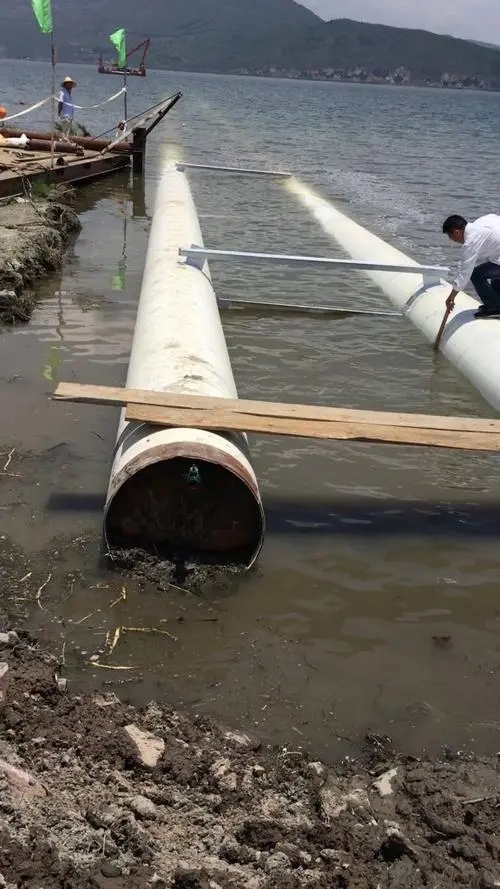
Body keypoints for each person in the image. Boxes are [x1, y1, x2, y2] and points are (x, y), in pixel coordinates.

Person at [442, 214, 500, 318]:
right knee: (493, 270)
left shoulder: (470, 242)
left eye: (450, 236)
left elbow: (465, 274)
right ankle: (497, 304)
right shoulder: (482, 221)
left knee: (476, 274)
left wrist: (451, 298)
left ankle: (494, 308)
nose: (452, 240)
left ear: (457, 232)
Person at [57, 76, 76, 140]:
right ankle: (63, 142)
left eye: (71, 84)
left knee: (67, 131)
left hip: (69, 115)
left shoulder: (68, 92)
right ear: (65, 84)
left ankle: (65, 141)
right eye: (69, 84)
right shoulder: (62, 92)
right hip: (65, 115)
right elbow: (60, 102)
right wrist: (59, 112)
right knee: (64, 131)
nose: (70, 85)